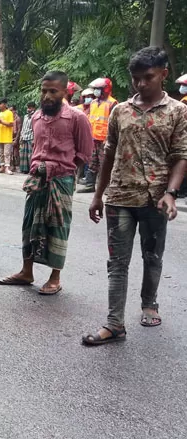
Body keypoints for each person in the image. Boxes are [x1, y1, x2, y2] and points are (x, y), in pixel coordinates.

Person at [83, 47, 187, 346]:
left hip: (156, 198)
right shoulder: (120, 111)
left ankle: (149, 303)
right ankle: (115, 323)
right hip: (119, 196)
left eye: (148, 77)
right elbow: (109, 153)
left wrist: (170, 193)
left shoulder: (178, 111)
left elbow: (181, 155)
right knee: (117, 262)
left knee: (152, 256)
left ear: (163, 75)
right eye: (136, 79)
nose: (141, 84)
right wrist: (97, 195)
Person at [0, 71, 92, 295]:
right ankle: (26, 272)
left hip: (62, 180)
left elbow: (84, 154)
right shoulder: (37, 117)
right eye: (44, 90)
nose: (47, 95)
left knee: (58, 227)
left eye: (53, 91)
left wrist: (62, 171)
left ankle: (55, 278)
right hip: (36, 179)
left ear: (64, 92)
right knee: (30, 224)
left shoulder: (77, 118)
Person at [78, 77, 118, 193]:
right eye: (95, 89)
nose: (95, 91)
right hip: (93, 138)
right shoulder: (94, 103)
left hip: (105, 140)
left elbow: (114, 124)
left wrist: (110, 139)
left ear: (105, 89)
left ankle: (106, 187)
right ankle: (90, 185)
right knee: (92, 162)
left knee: (105, 163)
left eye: (98, 89)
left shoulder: (112, 103)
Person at [0, 98, 14, 175]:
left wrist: (2, 121)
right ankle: (2, 167)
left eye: (0, 104)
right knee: (1, 153)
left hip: (7, 136)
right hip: (0, 136)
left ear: (5, 104)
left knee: (7, 153)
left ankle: (7, 168)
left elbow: (11, 124)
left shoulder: (9, 113)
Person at [19, 101, 36, 174]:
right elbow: (23, 127)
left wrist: (34, 139)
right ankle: (24, 169)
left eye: (29, 107)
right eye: (27, 107)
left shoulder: (35, 116)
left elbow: (35, 128)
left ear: (33, 108)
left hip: (31, 137)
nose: (28, 109)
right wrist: (21, 136)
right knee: (23, 154)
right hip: (24, 137)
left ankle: (31, 169)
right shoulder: (26, 116)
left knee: (30, 154)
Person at [11, 104, 23, 171]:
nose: (11, 111)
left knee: (16, 152)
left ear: (15, 110)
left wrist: (16, 139)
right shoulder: (9, 117)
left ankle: (17, 166)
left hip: (15, 136)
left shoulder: (17, 118)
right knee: (10, 152)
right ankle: (12, 166)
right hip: (9, 136)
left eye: (12, 110)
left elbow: (19, 129)